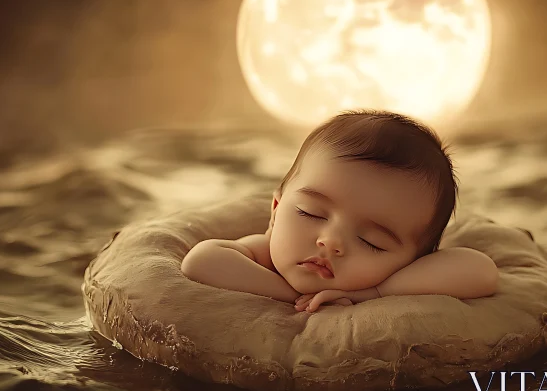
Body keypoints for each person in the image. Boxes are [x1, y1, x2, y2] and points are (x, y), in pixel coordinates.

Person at [181, 109, 498, 312]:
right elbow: (202, 260)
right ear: (276, 211)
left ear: (416, 261)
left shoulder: (396, 278)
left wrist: (373, 294)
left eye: (372, 241)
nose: (330, 241)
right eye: (310, 212)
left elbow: (481, 272)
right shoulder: (265, 254)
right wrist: (292, 297)